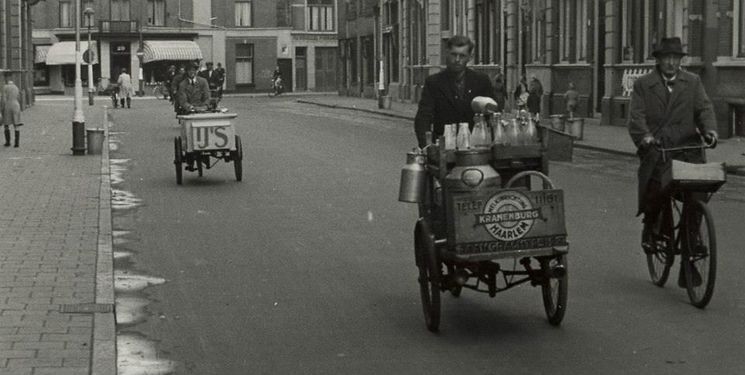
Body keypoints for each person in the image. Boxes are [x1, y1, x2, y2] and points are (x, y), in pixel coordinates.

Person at [628, 37, 718, 286]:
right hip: (659, 151)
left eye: (675, 58)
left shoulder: (693, 82)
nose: (670, 62)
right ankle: (652, 226)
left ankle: (689, 258)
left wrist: (710, 131)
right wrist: (645, 137)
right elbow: (636, 117)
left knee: (698, 194)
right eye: (666, 58)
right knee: (656, 190)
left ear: (681, 61)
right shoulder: (644, 85)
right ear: (658, 60)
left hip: (688, 150)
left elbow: (704, 109)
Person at [414, 35, 497, 148]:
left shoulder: (481, 81)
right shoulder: (434, 83)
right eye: (454, 55)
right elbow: (423, 118)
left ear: (469, 57)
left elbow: (493, 115)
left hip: (474, 148)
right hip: (444, 148)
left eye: (462, 56)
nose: (457, 60)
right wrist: (427, 147)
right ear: (447, 53)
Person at [1, 74, 22, 148]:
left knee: (6, 124)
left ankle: (8, 142)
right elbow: (19, 97)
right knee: (16, 124)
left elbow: (3, 99)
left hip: (8, 106)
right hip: (16, 105)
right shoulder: (16, 87)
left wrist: (1, 109)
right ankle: (16, 143)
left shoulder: (5, 87)